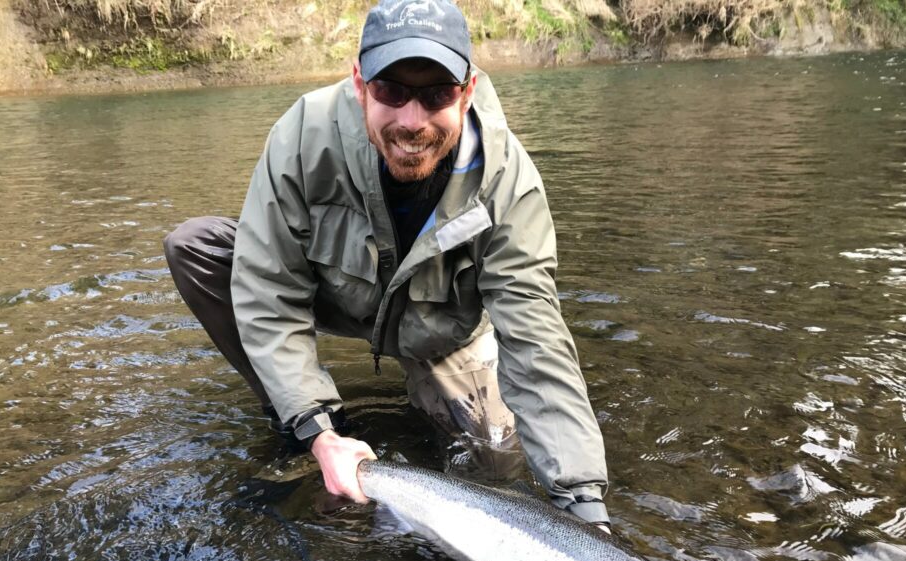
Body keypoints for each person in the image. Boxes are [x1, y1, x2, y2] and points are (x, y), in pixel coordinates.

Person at [164, 0, 611, 528]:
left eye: (436, 95)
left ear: (466, 93)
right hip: (337, 295)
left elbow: (537, 343)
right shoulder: (302, 137)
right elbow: (267, 291)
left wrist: (583, 508)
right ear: (360, 85)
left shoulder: (508, 183)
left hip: (440, 333)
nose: (411, 120)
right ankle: (300, 417)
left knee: (497, 464)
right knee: (197, 246)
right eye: (392, 91)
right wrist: (317, 430)